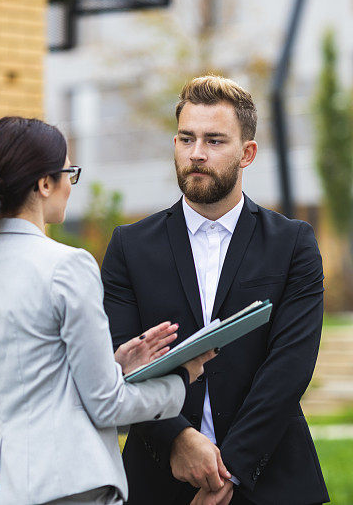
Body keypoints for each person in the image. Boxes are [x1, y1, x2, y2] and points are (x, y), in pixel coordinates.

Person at [0, 116, 215, 505]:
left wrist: (114, 368)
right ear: (44, 183)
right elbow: (107, 405)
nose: (70, 185)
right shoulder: (67, 267)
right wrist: (179, 377)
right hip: (68, 486)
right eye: (68, 172)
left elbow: (23, 392)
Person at [102, 76, 329, 505]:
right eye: (186, 138)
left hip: (270, 481)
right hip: (157, 479)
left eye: (214, 140)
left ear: (248, 154)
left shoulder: (293, 243)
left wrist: (231, 472)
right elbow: (119, 361)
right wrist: (178, 440)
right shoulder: (128, 247)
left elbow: (290, 366)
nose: (196, 153)